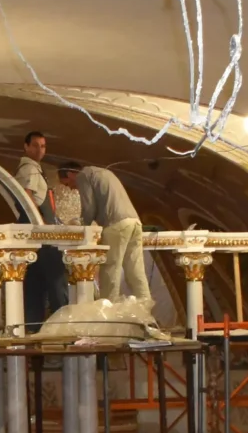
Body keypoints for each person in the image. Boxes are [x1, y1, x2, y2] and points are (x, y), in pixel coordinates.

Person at [64, 162, 150, 304]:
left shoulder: (83, 175)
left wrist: (82, 226)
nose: (71, 188)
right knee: (135, 271)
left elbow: (89, 208)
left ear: (69, 174)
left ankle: (109, 312)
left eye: (67, 183)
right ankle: (146, 308)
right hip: (134, 222)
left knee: (110, 270)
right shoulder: (104, 172)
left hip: (116, 224)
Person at [10, 131, 68, 325]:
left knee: (35, 282)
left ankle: (34, 326)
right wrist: (42, 223)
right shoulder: (29, 169)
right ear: (26, 147)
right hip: (40, 233)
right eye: (35, 145)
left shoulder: (34, 169)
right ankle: (62, 327)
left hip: (35, 233)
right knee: (56, 279)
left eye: (43, 146)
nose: (39, 150)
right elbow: (25, 197)